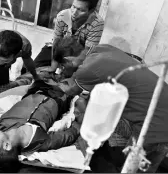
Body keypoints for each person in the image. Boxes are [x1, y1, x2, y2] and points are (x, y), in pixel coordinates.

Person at [53, 37, 168, 173]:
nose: (62, 70)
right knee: (148, 164)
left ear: (68, 60)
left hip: (153, 125)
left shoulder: (87, 69)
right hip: (162, 103)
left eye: (62, 66)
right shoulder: (102, 48)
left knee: (133, 168)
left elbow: (70, 90)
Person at [28, 0, 104, 74]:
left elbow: (88, 50)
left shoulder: (97, 23)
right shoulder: (62, 16)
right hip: (59, 49)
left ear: (91, 10)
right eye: (73, 7)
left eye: (81, 10)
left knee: (71, 77)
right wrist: (53, 67)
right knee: (34, 68)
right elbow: (56, 41)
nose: (74, 12)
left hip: (79, 54)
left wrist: (74, 64)